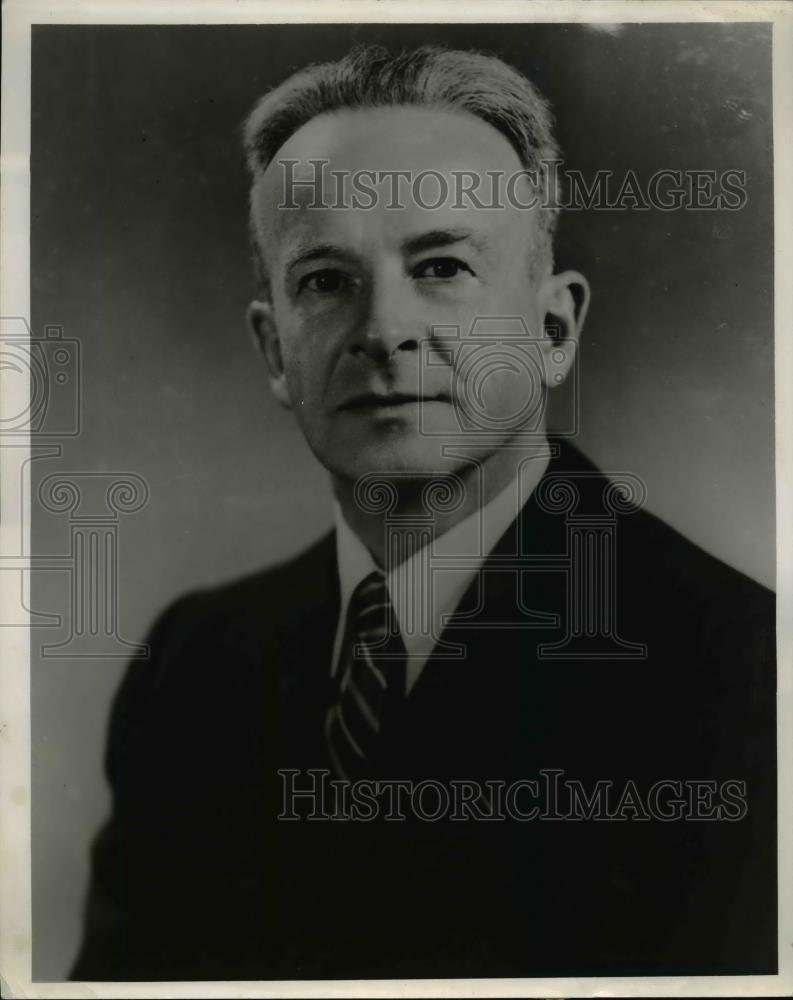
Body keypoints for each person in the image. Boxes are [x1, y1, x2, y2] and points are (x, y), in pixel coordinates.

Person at [71, 45, 776, 981]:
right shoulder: (195, 668)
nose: (380, 331)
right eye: (324, 281)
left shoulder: (741, 668)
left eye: (440, 266)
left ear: (553, 330)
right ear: (273, 348)